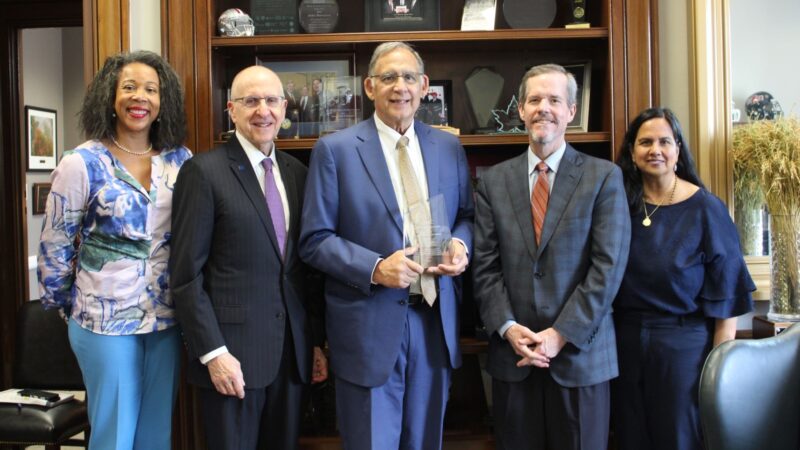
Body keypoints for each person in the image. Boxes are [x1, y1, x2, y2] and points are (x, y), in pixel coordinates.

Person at [299, 41, 474, 450]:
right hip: (368, 323)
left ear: (424, 85)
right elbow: (314, 240)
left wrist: (461, 246)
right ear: (369, 87)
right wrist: (376, 267)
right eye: (389, 77)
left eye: (409, 77)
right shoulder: (335, 150)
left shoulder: (447, 147)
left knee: (424, 440)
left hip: (434, 320)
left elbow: (466, 216)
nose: (400, 87)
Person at [472, 63, 631, 450]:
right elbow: (484, 266)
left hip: (581, 357)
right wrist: (508, 328)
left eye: (555, 100)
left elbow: (607, 269)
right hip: (516, 357)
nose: (544, 107)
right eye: (535, 99)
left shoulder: (604, 177)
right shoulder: (493, 182)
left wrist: (560, 335)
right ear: (522, 111)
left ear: (571, 112)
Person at [37, 50, 191, 450]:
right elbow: (55, 243)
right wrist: (64, 304)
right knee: (115, 435)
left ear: (163, 102)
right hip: (103, 322)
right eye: (129, 87)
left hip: (167, 319)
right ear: (110, 96)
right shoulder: (82, 163)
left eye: (151, 90)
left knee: (156, 434)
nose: (140, 97)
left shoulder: (180, 161)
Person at [169, 65, 327, 450]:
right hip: (232, 358)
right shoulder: (202, 173)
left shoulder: (298, 174)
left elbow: (303, 270)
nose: (263, 110)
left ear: (285, 107)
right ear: (231, 110)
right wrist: (213, 353)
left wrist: (315, 343)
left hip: (291, 358)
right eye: (250, 101)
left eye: (272, 100)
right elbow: (186, 275)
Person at [612, 107, 755, 450]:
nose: (655, 150)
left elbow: (727, 298)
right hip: (622, 343)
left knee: (678, 439)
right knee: (629, 437)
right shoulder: (618, 204)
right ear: (632, 152)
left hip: (683, 348)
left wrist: (717, 373)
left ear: (677, 150)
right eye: (645, 142)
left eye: (664, 141)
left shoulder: (707, 209)